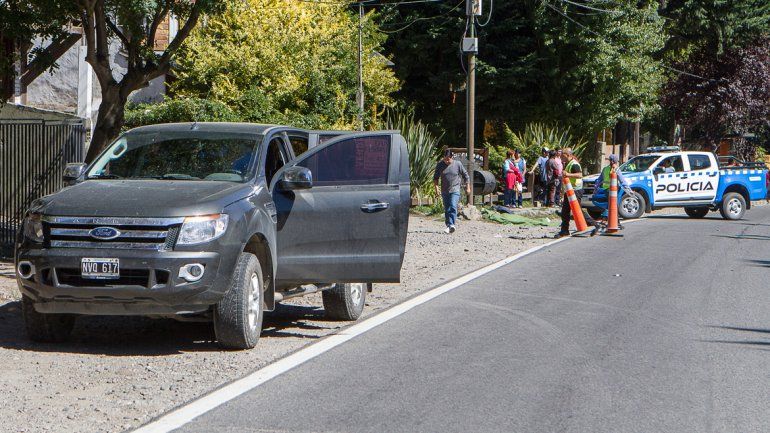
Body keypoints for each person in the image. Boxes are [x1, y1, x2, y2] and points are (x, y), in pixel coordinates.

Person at [555, 148, 599, 238]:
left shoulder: (574, 164)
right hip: (570, 190)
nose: (561, 158)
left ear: (567, 155)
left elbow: (580, 175)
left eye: (563, 156)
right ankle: (564, 231)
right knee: (565, 211)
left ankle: (595, 224)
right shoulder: (568, 163)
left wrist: (567, 174)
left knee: (577, 210)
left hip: (575, 190)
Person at [434, 149, 471, 234]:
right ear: (443, 157)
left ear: (452, 157)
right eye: (445, 159)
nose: (447, 161)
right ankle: (448, 225)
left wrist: (468, 187)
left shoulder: (457, 164)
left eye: (449, 159)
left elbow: (466, 176)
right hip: (444, 190)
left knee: (453, 205)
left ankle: (452, 224)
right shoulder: (440, 165)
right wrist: (436, 189)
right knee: (447, 208)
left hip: (455, 189)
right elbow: (436, 178)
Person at [593, 154, 631, 222]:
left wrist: (595, 189)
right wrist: (629, 190)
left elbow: (599, 180)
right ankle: (606, 219)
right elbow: (622, 181)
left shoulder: (605, 169)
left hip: (606, 190)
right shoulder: (616, 169)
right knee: (613, 205)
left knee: (611, 205)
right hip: (612, 190)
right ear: (615, 161)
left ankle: (612, 220)